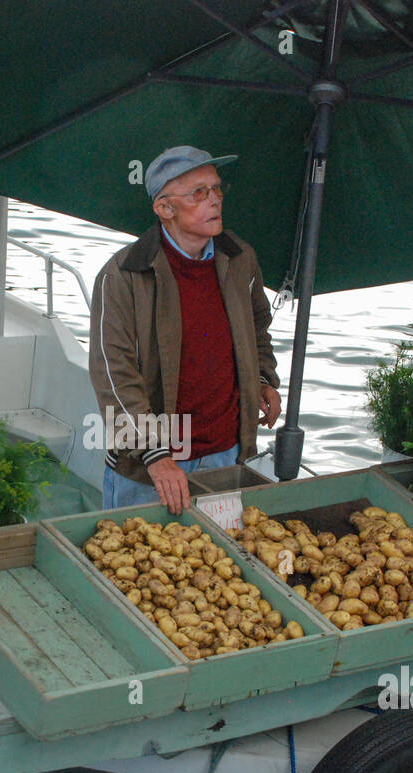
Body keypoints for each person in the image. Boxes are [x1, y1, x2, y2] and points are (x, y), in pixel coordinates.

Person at [88, 145, 282, 513]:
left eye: (217, 189)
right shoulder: (123, 275)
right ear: (165, 209)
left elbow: (258, 328)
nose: (215, 200)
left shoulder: (241, 258)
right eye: (199, 193)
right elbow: (112, 375)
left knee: (218, 567)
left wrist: (262, 377)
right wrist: (155, 456)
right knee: (139, 568)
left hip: (227, 453)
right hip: (152, 467)